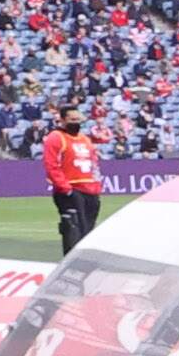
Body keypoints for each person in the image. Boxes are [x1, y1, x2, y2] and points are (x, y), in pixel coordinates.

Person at [41, 108, 103, 255]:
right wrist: (66, 189)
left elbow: (94, 163)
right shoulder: (56, 137)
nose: (75, 123)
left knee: (88, 230)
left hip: (90, 190)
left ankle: (84, 261)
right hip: (72, 190)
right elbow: (51, 165)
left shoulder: (85, 139)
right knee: (74, 229)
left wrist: (97, 185)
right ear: (62, 120)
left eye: (77, 120)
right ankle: (71, 261)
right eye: (72, 120)